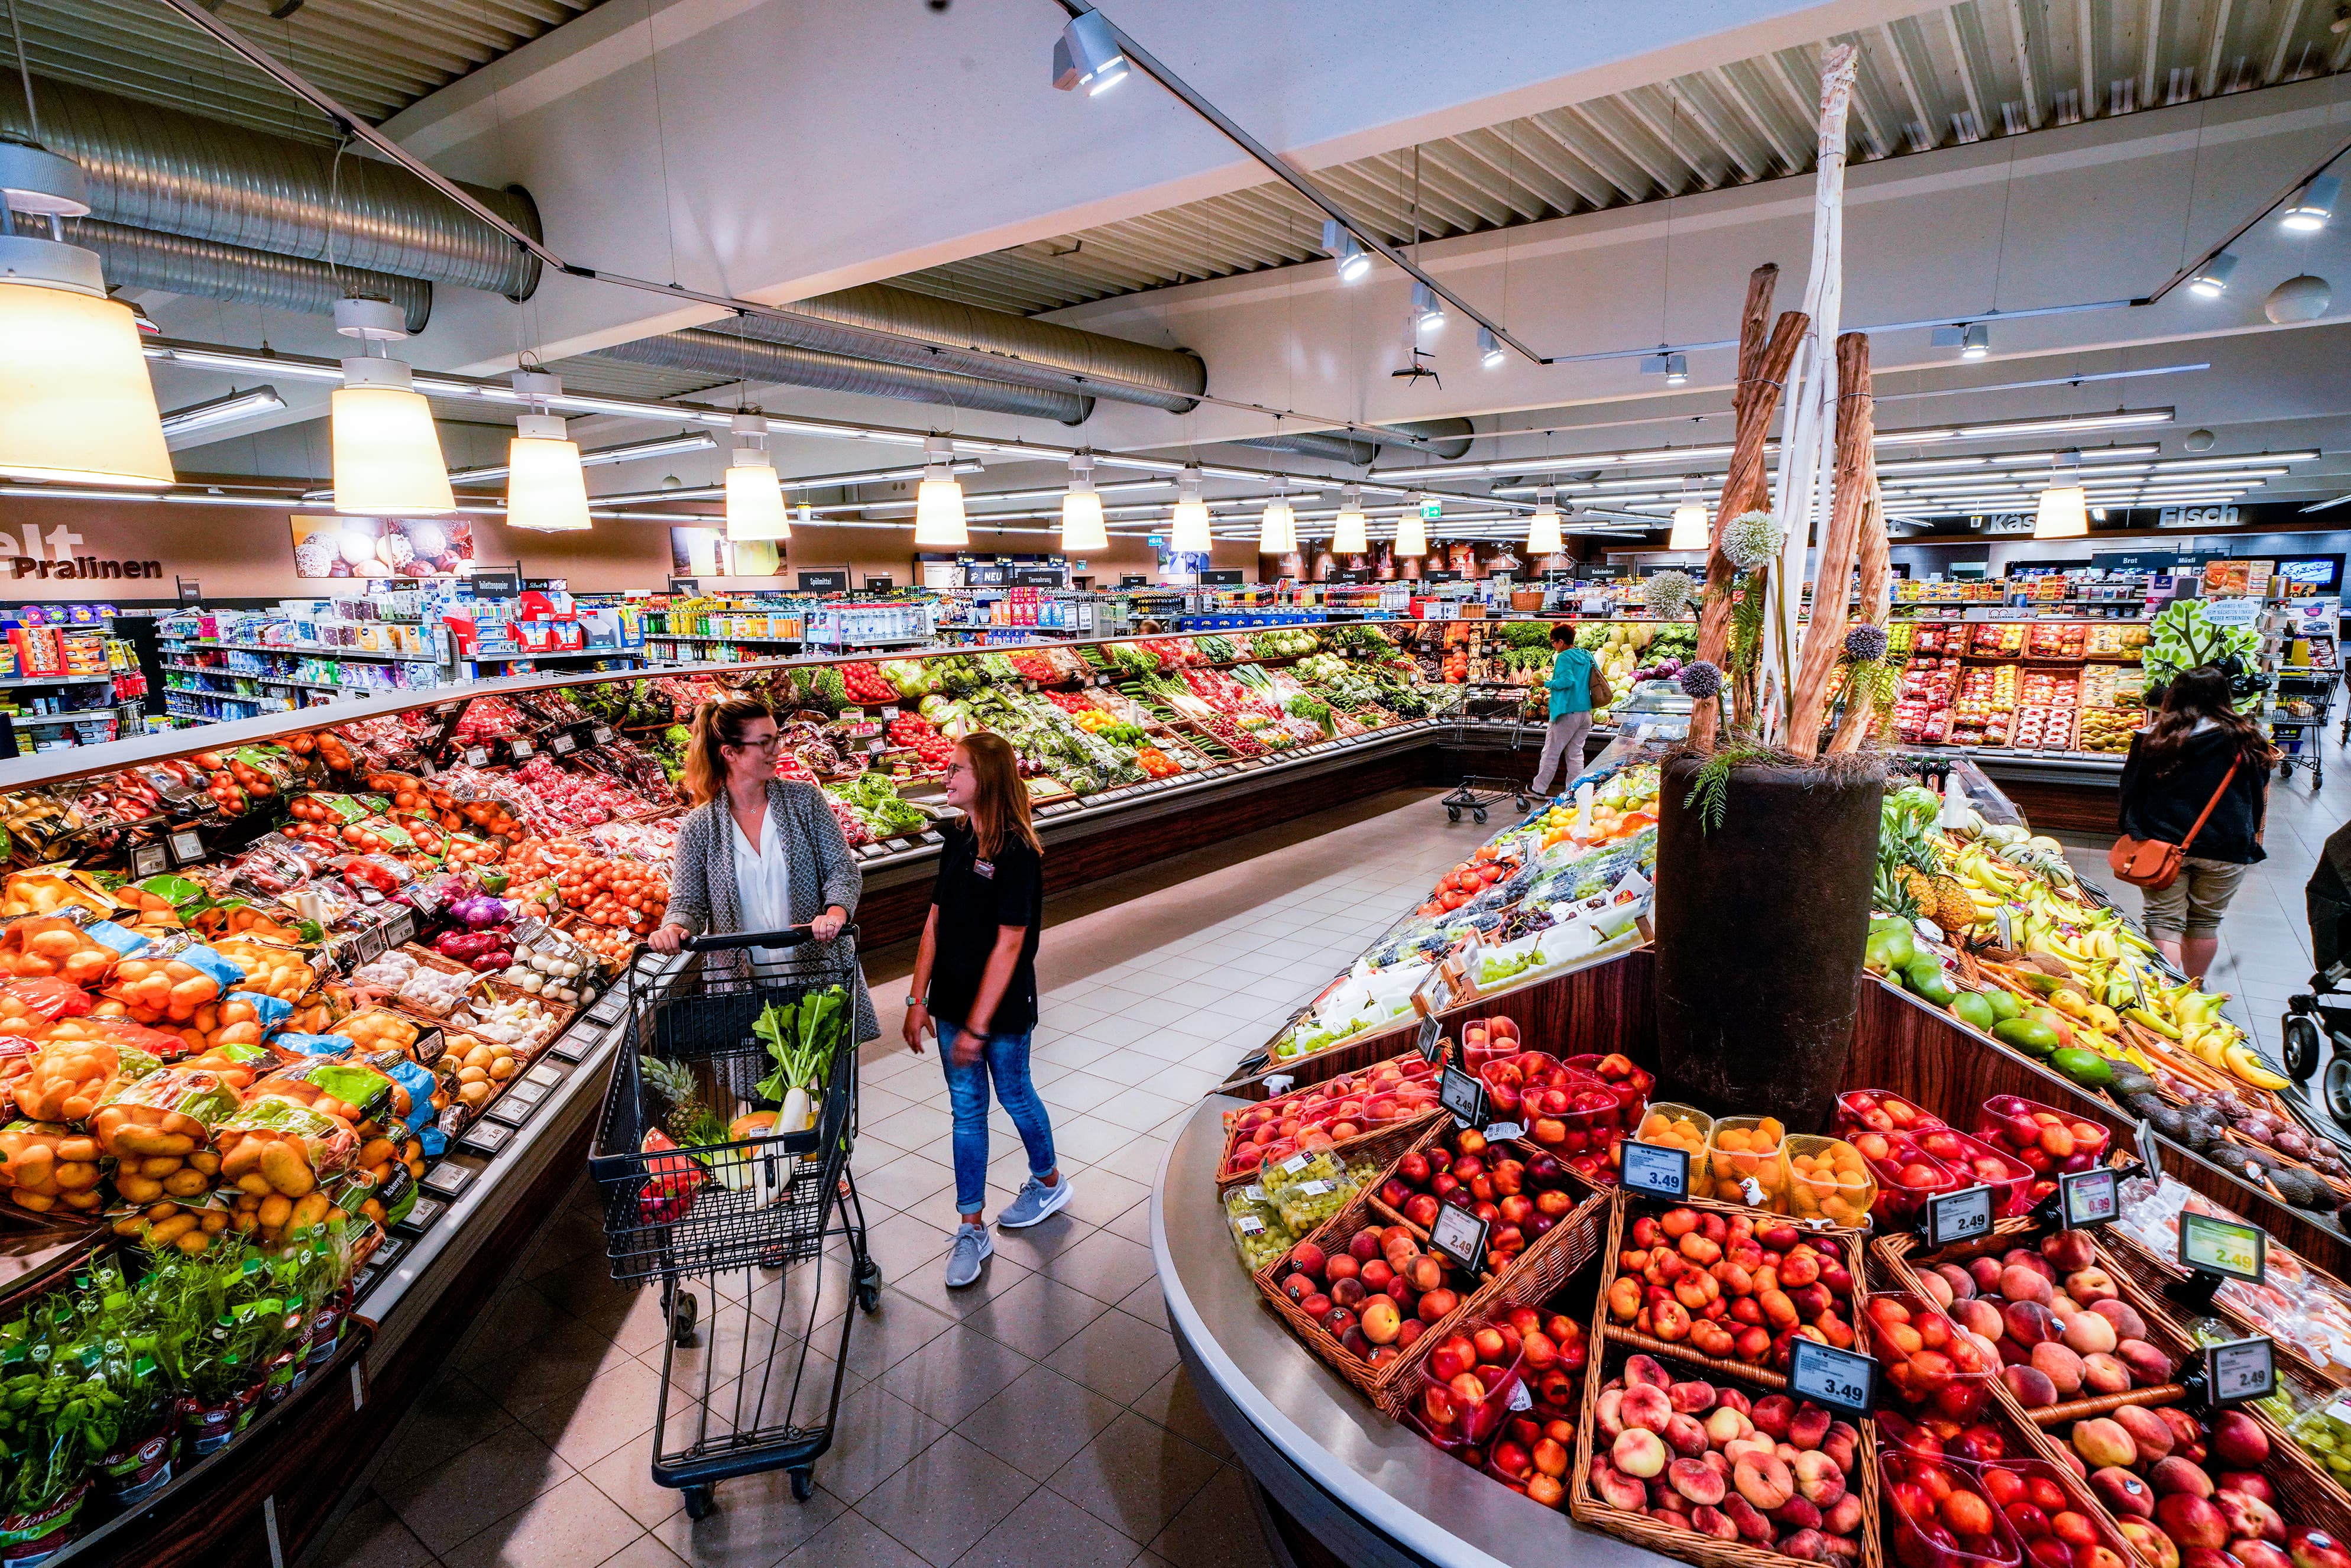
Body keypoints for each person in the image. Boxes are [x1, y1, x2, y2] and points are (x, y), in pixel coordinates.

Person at [902, 732, 1065, 1288]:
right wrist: (918, 997)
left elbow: (1011, 943)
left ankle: (1048, 1182)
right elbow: (935, 920)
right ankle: (970, 1226)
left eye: (956, 770)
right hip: (950, 1003)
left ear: (987, 779)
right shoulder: (957, 839)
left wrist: (977, 1025)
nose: (945, 778)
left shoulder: (1018, 854)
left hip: (999, 1008)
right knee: (967, 1112)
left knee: (1015, 1093)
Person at [650, 696, 877, 1045]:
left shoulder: (805, 801)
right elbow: (688, 902)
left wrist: (835, 913)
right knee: (763, 1088)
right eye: (765, 742)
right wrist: (674, 927)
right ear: (730, 752)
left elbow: (842, 870)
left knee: (831, 1082)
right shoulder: (699, 827)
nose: (777, 749)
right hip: (744, 987)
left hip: (819, 971)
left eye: (777, 738)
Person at [2117, 665, 2276, 983]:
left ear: (2174, 696)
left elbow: (2131, 790)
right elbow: (2257, 790)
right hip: (2226, 845)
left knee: (2164, 920)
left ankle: (2166, 988)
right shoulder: (2249, 739)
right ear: (2224, 697)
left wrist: (2131, 829)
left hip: (2162, 845)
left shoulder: (2155, 738)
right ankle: (2191, 989)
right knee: (2205, 922)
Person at [1531, 623, 1597, 796]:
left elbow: (1567, 681)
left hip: (1566, 711)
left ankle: (1539, 789)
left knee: (1551, 752)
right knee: (1575, 753)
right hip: (1585, 711)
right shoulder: (1587, 655)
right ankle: (1574, 791)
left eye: (1554, 642)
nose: (1553, 646)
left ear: (1561, 641)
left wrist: (1544, 683)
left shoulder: (1564, 657)